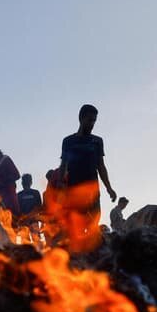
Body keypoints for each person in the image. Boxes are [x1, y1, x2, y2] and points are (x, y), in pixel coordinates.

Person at [59, 104, 117, 252]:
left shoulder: (97, 141)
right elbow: (63, 166)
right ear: (81, 118)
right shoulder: (68, 141)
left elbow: (101, 166)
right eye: (89, 120)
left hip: (92, 192)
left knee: (93, 228)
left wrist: (109, 187)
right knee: (75, 229)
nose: (92, 124)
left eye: (94, 121)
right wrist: (61, 188)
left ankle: (95, 261)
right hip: (74, 192)